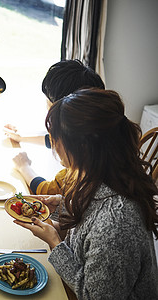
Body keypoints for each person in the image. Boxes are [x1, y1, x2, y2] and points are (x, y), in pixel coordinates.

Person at [14, 88, 158, 299]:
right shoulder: (100, 176)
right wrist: (62, 208)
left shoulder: (116, 224)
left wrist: (55, 243)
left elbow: (94, 296)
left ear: (82, 148)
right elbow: (89, 231)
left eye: (56, 138)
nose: (54, 144)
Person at [7, 60, 105, 194]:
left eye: (49, 105)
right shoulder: (99, 129)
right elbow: (54, 140)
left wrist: (24, 166)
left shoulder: (81, 165)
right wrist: (21, 137)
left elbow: (47, 190)